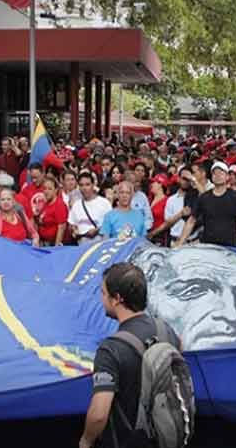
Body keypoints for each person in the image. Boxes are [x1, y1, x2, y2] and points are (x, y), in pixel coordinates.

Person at [79, 262, 181, 448]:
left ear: (116, 299)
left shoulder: (111, 349)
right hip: (166, 434)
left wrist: (85, 441)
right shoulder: (166, 329)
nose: (101, 299)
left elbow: (99, 415)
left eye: (103, 293)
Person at [173, 162, 236, 252]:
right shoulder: (204, 197)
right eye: (215, 173)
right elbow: (191, 221)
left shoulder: (235, 197)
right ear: (212, 177)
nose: (217, 175)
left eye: (221, 173)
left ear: (227, 177)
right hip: (208, 247)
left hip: (230, 247)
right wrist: (180, 243)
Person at [68, 172, 112, 244]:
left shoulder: (104, 203)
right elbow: (71, 224)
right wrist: (73, 229)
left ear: (93, 185)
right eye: (81, 185)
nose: (84, 188)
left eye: (87, 184)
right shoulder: (76, 205)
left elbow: (110, 224)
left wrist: (97, 230)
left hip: (101, 246)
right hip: (82, 248)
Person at [164, 167, 198, 246]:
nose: (186, 181)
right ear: (178, 179)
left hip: (193, 242)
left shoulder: (197, 196)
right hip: (175, 242)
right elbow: (167, 223)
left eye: (188, 179)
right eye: (183, 178)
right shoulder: (171, 199)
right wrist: (180, 214)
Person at [36, 177, 68, 246]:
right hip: (44, 242)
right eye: (44, 188)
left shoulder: (59, 205)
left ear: (56, 190)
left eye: (50, 189)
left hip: (52, 244)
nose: (46, 191)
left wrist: (56, 248)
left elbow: (61, 228)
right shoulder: (46, 203)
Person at [146, 174, 170, 245]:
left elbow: (168, 222)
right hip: (147, 236)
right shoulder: (149, 199)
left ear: (160, 184)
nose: (151, 184)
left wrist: (153, 233)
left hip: (160, 237)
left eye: (153, 182)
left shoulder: (167, 201)